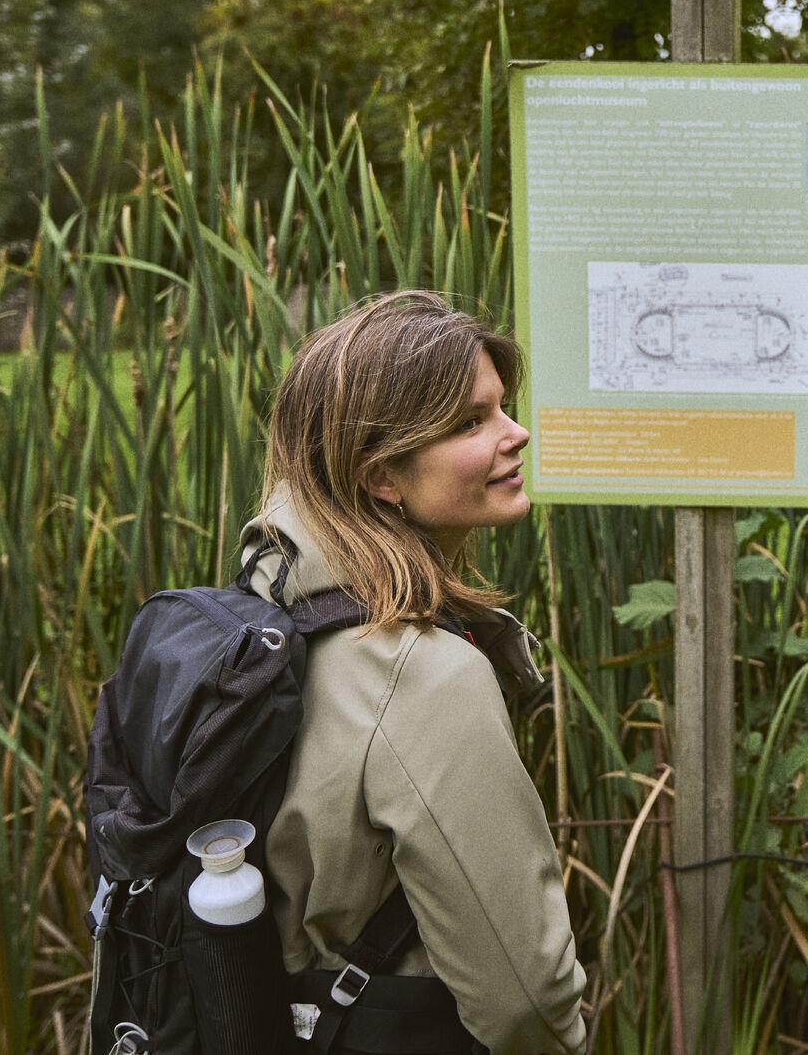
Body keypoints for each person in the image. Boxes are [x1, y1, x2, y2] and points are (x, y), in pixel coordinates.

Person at [237, 290, 587, 1054]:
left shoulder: (278, 621)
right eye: (471, 421)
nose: (516, 433)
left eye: (503, 407)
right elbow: (521, 992)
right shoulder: (420, 672)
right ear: (382, 478)